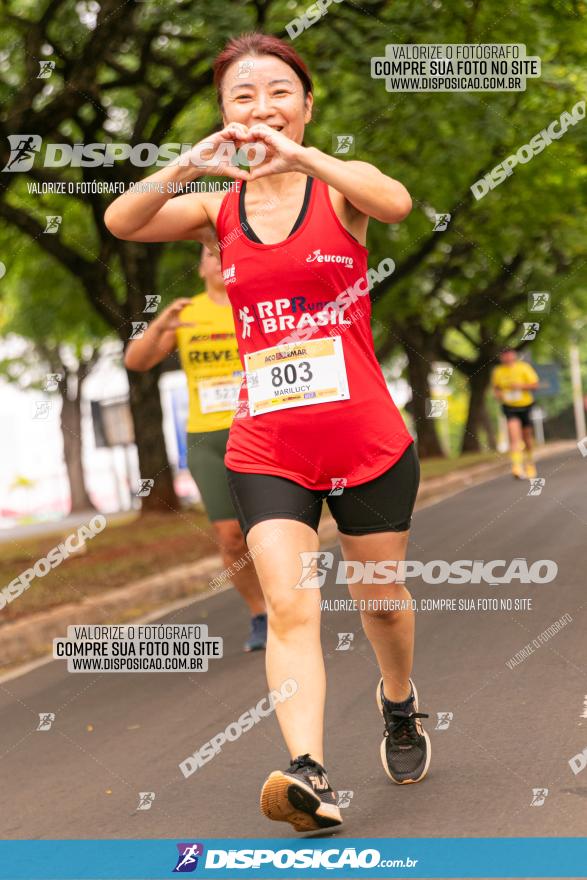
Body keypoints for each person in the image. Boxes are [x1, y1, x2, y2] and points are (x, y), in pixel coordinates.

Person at [105, 31, 430, 833]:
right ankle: (308, 774)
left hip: (364, 437)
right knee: (290, 606)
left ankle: (398, 704)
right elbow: (122, 220)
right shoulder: (216, 210)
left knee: (381, 604)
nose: (260, 108)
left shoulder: (341, 191)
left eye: (277, 92)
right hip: (266, 445)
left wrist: (299, 154)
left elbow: (395, 202)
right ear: (225, 115)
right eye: (241, 98)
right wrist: (187, 164)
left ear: (306, 104)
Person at [123, 246, 268, 652]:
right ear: (201, 266)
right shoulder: (187, 313)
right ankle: (261, 613)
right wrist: (160, 325)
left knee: (271, 529)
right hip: (206, 438)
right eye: (211, 254)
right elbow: (136, 361)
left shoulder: (255, 304)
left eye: (227, 253)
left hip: (260, 428)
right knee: (231, 536)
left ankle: (288, 601)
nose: (220, 261)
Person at [492, 348, 540, 479]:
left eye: (509, 354)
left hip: (525, 406)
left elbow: (535, 385)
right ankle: (517, 466)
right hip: (509, 407)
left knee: (527, 438)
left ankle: (530, 464)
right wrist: (499, 395)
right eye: (504, 355)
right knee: (514, 436)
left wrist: (520, 386)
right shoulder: (498, 371)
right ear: (501, 357)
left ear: (514, 355)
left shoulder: (524, 368)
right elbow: (495, 389)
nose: (507, 357)